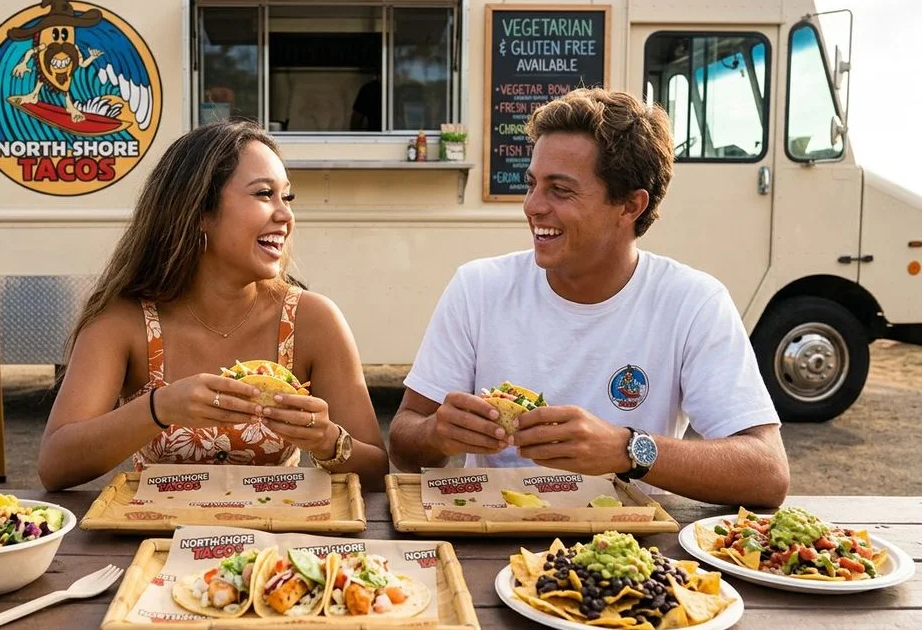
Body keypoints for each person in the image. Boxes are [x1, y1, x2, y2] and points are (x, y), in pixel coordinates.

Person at [388, 88, 790, 507]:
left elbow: (767, 472)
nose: (532, 206)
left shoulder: (692, 303)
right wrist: (437, 433)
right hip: (493, 532)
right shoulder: (479, 288)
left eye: (560, 190)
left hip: (631, 543)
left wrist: (626, 450)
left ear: (630, 207)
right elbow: (403, 444)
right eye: (532, 184)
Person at [38, 120, 389, 491]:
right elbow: (55, 466)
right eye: (264, 194)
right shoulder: (123, 320)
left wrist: (328, 440)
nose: (286, 216)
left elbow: (376, 473)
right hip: (155, 528)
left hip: (274, 528)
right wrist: (158, 408)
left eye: (287, 198)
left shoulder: (313, 320)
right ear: (199, 213)